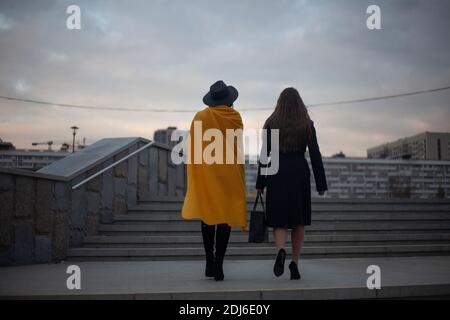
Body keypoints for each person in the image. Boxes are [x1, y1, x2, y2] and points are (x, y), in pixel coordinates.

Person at [256, 87, 327, 280]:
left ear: (280, 103)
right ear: (299, 103)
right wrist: (322, 184)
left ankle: (280, 250)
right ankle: (295, 262)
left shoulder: (271, 123)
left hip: (276, 171)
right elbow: (315, 154)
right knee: (298, 219)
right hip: (299, 172)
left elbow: (265, 154)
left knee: (279, 218)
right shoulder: (307, 124)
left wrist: (260, 182)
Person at [182, 80, 247, 281]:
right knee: (225, 217)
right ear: (229, 100)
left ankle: (209, 261)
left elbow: (192, 146)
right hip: (228, 173)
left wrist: (195, 173)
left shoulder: (200, 116)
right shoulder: (235, 117)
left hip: (208, 172)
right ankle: (219, 265)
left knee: (208, 215)